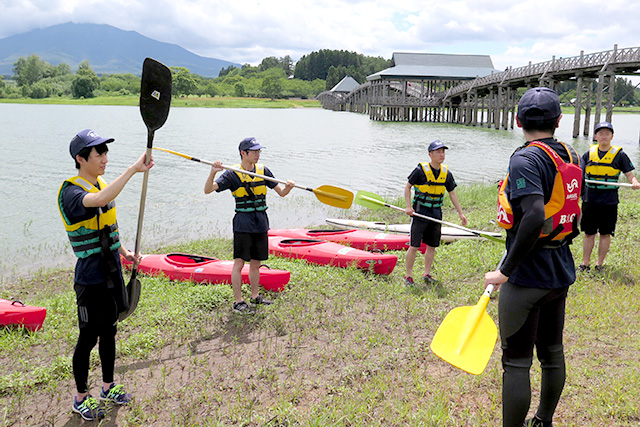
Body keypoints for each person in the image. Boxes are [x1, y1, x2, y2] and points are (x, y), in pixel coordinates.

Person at [486, 87, 583, 427]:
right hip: (559, 270)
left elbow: (534, 215)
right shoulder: (572, 155)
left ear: (517, 121)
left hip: (526, 276)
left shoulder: (525, 159)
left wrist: (505, 270)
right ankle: (543, 420)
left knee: (516, 363)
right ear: (559, 120)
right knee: (552, 353)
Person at [57, 129, 153, 421]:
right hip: (90, 278)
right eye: (98, 153)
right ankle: (80, 398)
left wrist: (124, 252)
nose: (104, 158)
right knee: (88, 338)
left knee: (110, 331)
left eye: (105, 152)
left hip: (111, 272)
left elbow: (106, 229)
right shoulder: (71, 192)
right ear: (80, 158)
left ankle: (108, 387)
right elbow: (99, 200)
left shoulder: (100, 184)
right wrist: (133, 169)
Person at [204, 137, 295, 314]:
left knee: (256, 263)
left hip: (260, 222)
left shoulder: (263, 171)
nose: (257, 154)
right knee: (239, 263)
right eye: (254, 151)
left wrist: (289, 187)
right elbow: (208, 190)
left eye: (258, 151)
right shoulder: (231, 174)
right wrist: (213, 172)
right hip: (243, 223)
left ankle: (255, 296)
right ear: (243, 153)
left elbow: (282, 193)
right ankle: (238, 302)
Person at [403, 140, 467, 285]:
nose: (441, 154)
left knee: (432, 245)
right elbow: (407, 187)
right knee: (414, 246)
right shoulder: (420, 171)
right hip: (420, 212)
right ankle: (408, 276)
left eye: (443, 152)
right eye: (438, 152)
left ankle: (427, 274)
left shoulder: (446, 173)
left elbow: (452, 194)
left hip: (436, 213)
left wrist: (460, 213)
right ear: (430, 154)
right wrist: (408, 206)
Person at [579, 121, 639, 272]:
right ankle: (585, 264)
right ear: (596, 136)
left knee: (605, 234)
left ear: (612, 136)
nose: (604, 136)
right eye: (601, 133)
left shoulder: (620, 155)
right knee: (589, 233)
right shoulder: (588, 154)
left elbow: (629, 174)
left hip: (609, 201)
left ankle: (599, 265)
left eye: (607, 133)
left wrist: (634, 182)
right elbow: (578, 171)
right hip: (590, 199)